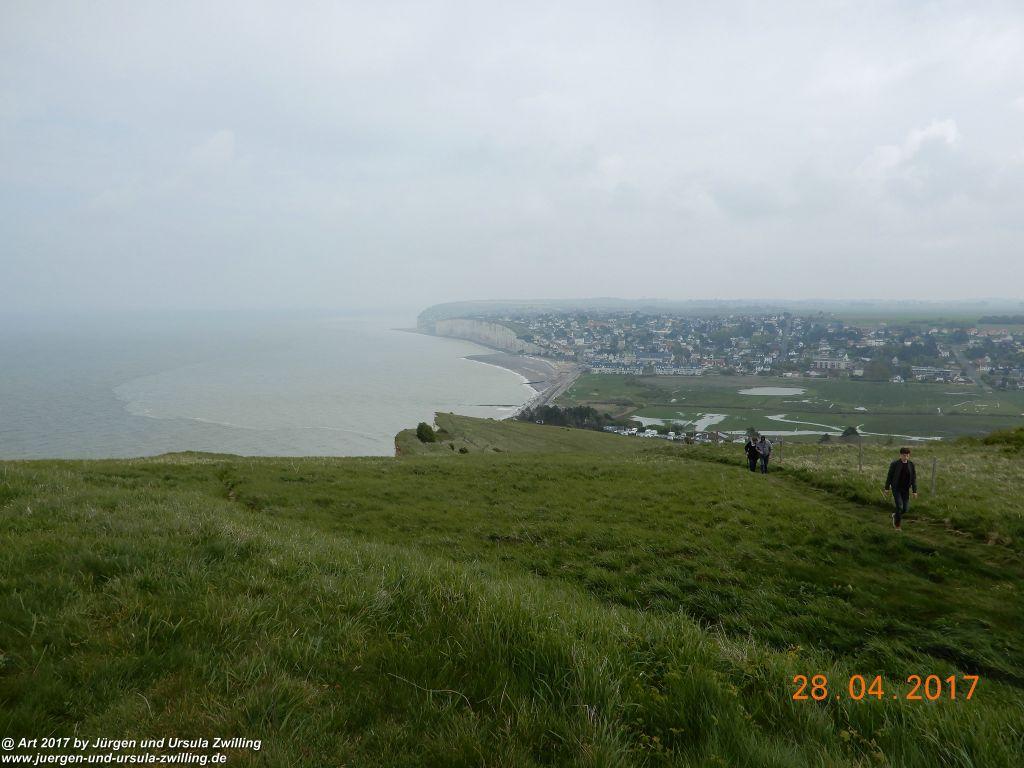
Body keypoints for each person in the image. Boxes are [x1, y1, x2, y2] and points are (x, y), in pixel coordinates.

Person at [884, 447, 918, 531]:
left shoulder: (911, 464)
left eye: (907, 455)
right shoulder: (894, 464)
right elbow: (890, 476)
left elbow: (913, 478)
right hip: (896, 488)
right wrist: (887, 488)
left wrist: (914, 491)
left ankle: (895, 515)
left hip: (905, 489)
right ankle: (897, 525)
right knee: (899, 506)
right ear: (900, 455)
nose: (905, 457)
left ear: (909, 456)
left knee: (905, 509)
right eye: (904, 455)